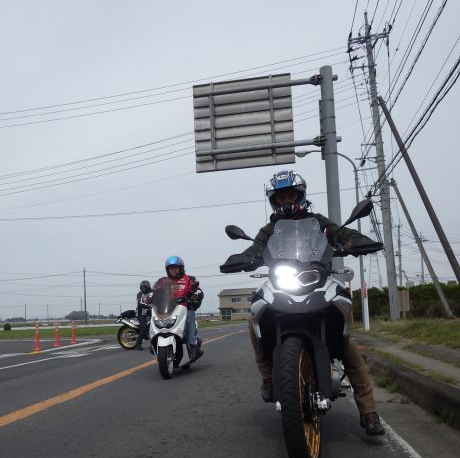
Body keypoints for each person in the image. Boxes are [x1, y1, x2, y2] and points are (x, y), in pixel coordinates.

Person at [240, 170, 385, 436]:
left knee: (347, 346)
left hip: (319, 281)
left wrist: (354, 241)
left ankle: (369, 411)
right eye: (280, 197)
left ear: (300, 196)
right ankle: (269, 379)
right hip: (282, 283)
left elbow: (342, 233)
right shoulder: (269, 230)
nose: (285, 200)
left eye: (290, 195)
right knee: (254, 318)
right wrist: (243, 257)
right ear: (274, 201)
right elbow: (255, 248)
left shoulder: (318, 222)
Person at [162, 255, 204, 360]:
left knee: (189, 316)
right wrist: (151, 298)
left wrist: (195, 296)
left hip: (185, 308)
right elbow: (156, 291)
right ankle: (156, 339)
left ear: (180, 268)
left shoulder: (188, 279)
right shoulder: (164, 281)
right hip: (169, 309)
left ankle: (192, 344)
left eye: (175, 268)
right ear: (167, 270)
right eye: (171, 268)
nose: (173, 270)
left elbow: (198, 290)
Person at [133, 279, 153, 350]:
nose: (145, 288)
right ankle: (138, 345)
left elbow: (157, 299)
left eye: (146, 287)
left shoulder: (152, 293)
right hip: (140, 314)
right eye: (143, 287)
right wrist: (150, 307)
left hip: (150, 312)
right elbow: (140, 303)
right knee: (143, 328)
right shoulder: (139, 294)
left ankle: (154, 344)